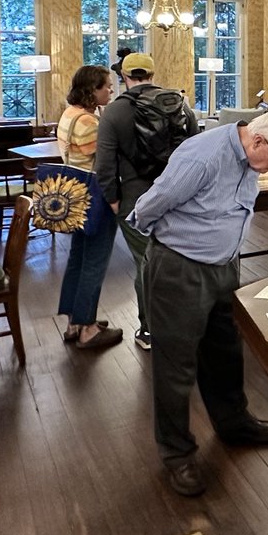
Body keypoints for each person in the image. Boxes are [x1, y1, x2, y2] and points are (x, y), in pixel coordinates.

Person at [131, 107, 268, 497]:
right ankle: (177, 453)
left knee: (225, 351)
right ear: (258, 141)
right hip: (180, 269)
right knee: (176, 366)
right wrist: (165, 249)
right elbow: (150, 205)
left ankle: (232, 421)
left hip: (224, 266)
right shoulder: (203, 156)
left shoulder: (252, 156)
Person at [95, 52, 197, 351]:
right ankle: (185, 323)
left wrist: (113, 199)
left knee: (146, 262)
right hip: (178, 196)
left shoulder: (114, 112)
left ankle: (150, 330)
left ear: (124, 76)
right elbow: (196, 153)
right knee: (180, 258)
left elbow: (105, 165)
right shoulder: (181, 105)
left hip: (136, 197)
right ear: (152, 74)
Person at [55, 65, 123, 349]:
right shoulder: (88, 122)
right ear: (92, 90)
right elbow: (107, 164)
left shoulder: (69, 114)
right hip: (96, 197)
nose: (111, 89)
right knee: (95, 261)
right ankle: (88, 328)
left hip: (76, 195)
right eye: (106, 85)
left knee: (78, 258)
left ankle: (74, 321)